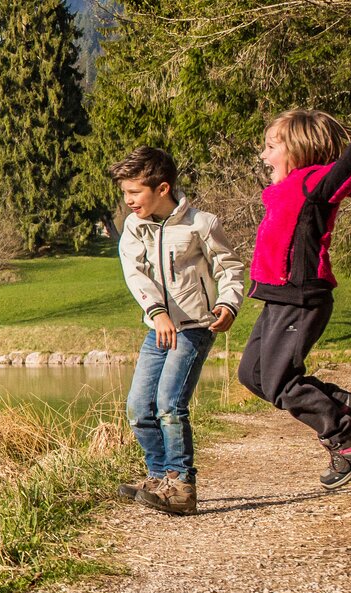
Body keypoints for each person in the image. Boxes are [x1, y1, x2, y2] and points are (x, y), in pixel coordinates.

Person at [239, 111, 351, 489]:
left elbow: (342, 172)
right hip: (278, 298)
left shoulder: (313, 183)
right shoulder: (288, 189)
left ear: (298, 150)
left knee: (278, 382)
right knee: (252, 375)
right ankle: (338, 401)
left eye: (271, 147)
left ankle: (345, 441)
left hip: (302, 297)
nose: (263, 156)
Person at [111, 146, 245, 515]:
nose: (128, 201)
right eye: (124, 193)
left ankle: (182, 484)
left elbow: (229, 268)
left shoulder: (201, 224)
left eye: (134, 192)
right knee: (139, 407)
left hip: (195, 327)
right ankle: (157, 476)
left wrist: (229, 303)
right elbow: (134, 273)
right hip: (159, 328)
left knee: (170, 404)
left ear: (163, 188)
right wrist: (156, 313)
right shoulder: (133, 228)